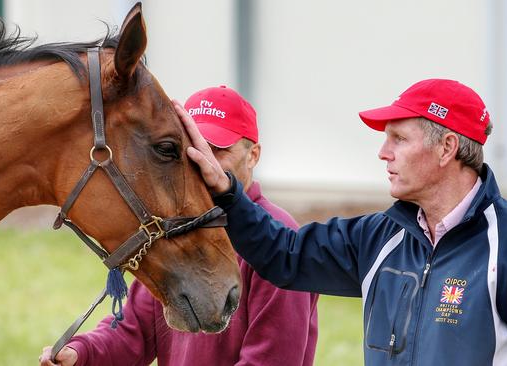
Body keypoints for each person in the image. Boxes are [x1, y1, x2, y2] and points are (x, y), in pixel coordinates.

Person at [177, 79, 507, 365]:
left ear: (447, 147)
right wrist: (226, 191)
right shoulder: (379, 238)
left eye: (399, 139)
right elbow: (285, 255)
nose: (383, 153)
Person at [39, 85, 318, 366]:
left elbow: (272, 360)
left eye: (217, 150)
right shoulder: (176, 227)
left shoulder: (280, 241)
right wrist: (80, 354)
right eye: (192, 148)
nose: (202, 161)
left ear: (253, 154)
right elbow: (133, 331)